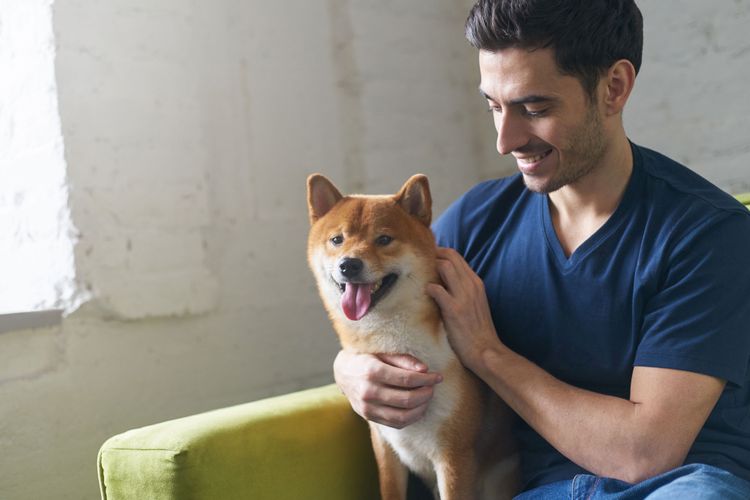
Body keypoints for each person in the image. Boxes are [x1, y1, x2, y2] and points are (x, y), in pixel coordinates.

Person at [333, 0, 750, 498]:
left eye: (535, 108)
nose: (505, 141)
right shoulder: (475, 222)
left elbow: (645, 455)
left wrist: (488, 353)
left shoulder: (707, 233)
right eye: (493, 106)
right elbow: (386, 322)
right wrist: (351, 371)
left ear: (613, 87)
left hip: (680, 484)